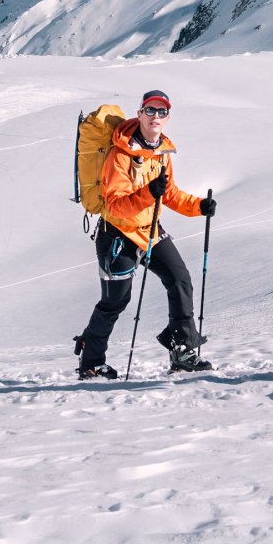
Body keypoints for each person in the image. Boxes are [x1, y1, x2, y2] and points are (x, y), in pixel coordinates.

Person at [74, 90, 217, 378]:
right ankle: (91, 361)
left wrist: (198, 206)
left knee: (179, 279)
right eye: (150, 110)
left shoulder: (162, 152)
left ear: (167, 117)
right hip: (116, 234)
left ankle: (182, 349)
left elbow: (169, 193)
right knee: (115, 301)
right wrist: (149, 194)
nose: (155, 116)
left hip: (149, 231)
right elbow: (115, 205)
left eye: (162, 111)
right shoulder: (119, 154)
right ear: (139, 114)